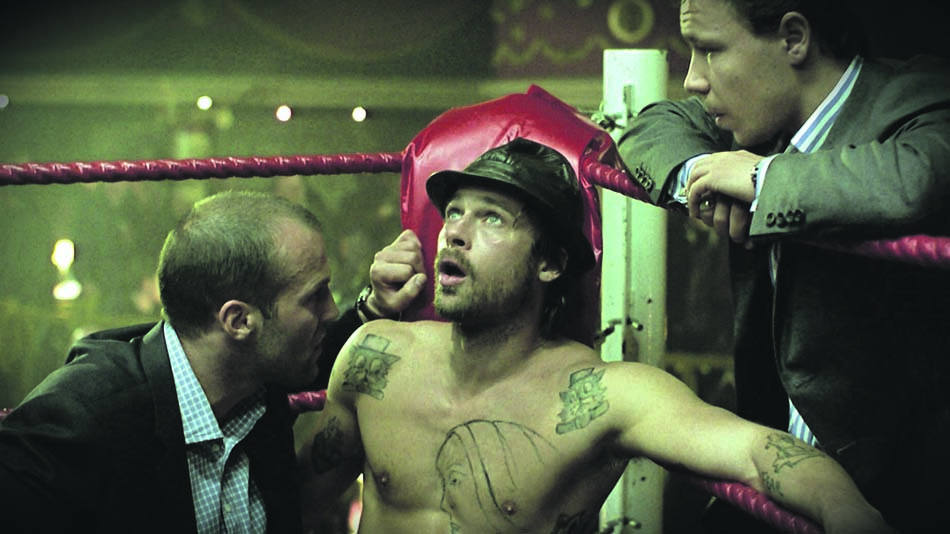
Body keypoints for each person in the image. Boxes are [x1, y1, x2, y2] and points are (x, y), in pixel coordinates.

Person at [296, 138, 895, 534]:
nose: (455, 232)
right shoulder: (376, 355)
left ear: (549, 263)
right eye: (454, 212)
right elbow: (291, 504)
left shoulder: (600, 396)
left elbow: (755, 452)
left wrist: (849, 513)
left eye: (491, 218)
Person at [617, 1, 950, 532]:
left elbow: (921, 175)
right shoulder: (757, 119)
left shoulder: (919, 94)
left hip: (907, 500)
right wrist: (705, 173)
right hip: (778, 480)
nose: (693, 79)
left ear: (794, 38)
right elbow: (654, 126)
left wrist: (762, 181)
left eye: (710, 49)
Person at [0, 190, 426, 533]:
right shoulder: (82, 419)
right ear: (238, 321)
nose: (331, 311)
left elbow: (316, 351)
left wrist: (374, 307)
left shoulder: (248, 372)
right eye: (314, 296)